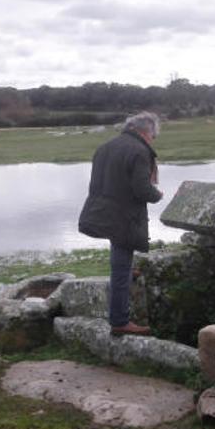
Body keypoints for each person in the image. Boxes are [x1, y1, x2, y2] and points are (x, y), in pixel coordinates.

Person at [78, 111, 163, 335]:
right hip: (123, 216)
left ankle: (126, 272)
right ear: (146, 132)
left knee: (120, 256)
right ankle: (120, 321)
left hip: (102, 211)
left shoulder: (106, 146)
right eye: (153, 136)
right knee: (120, 266)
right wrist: (158, 195)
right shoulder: (139, 150)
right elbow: (142, 190)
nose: (153, 140)